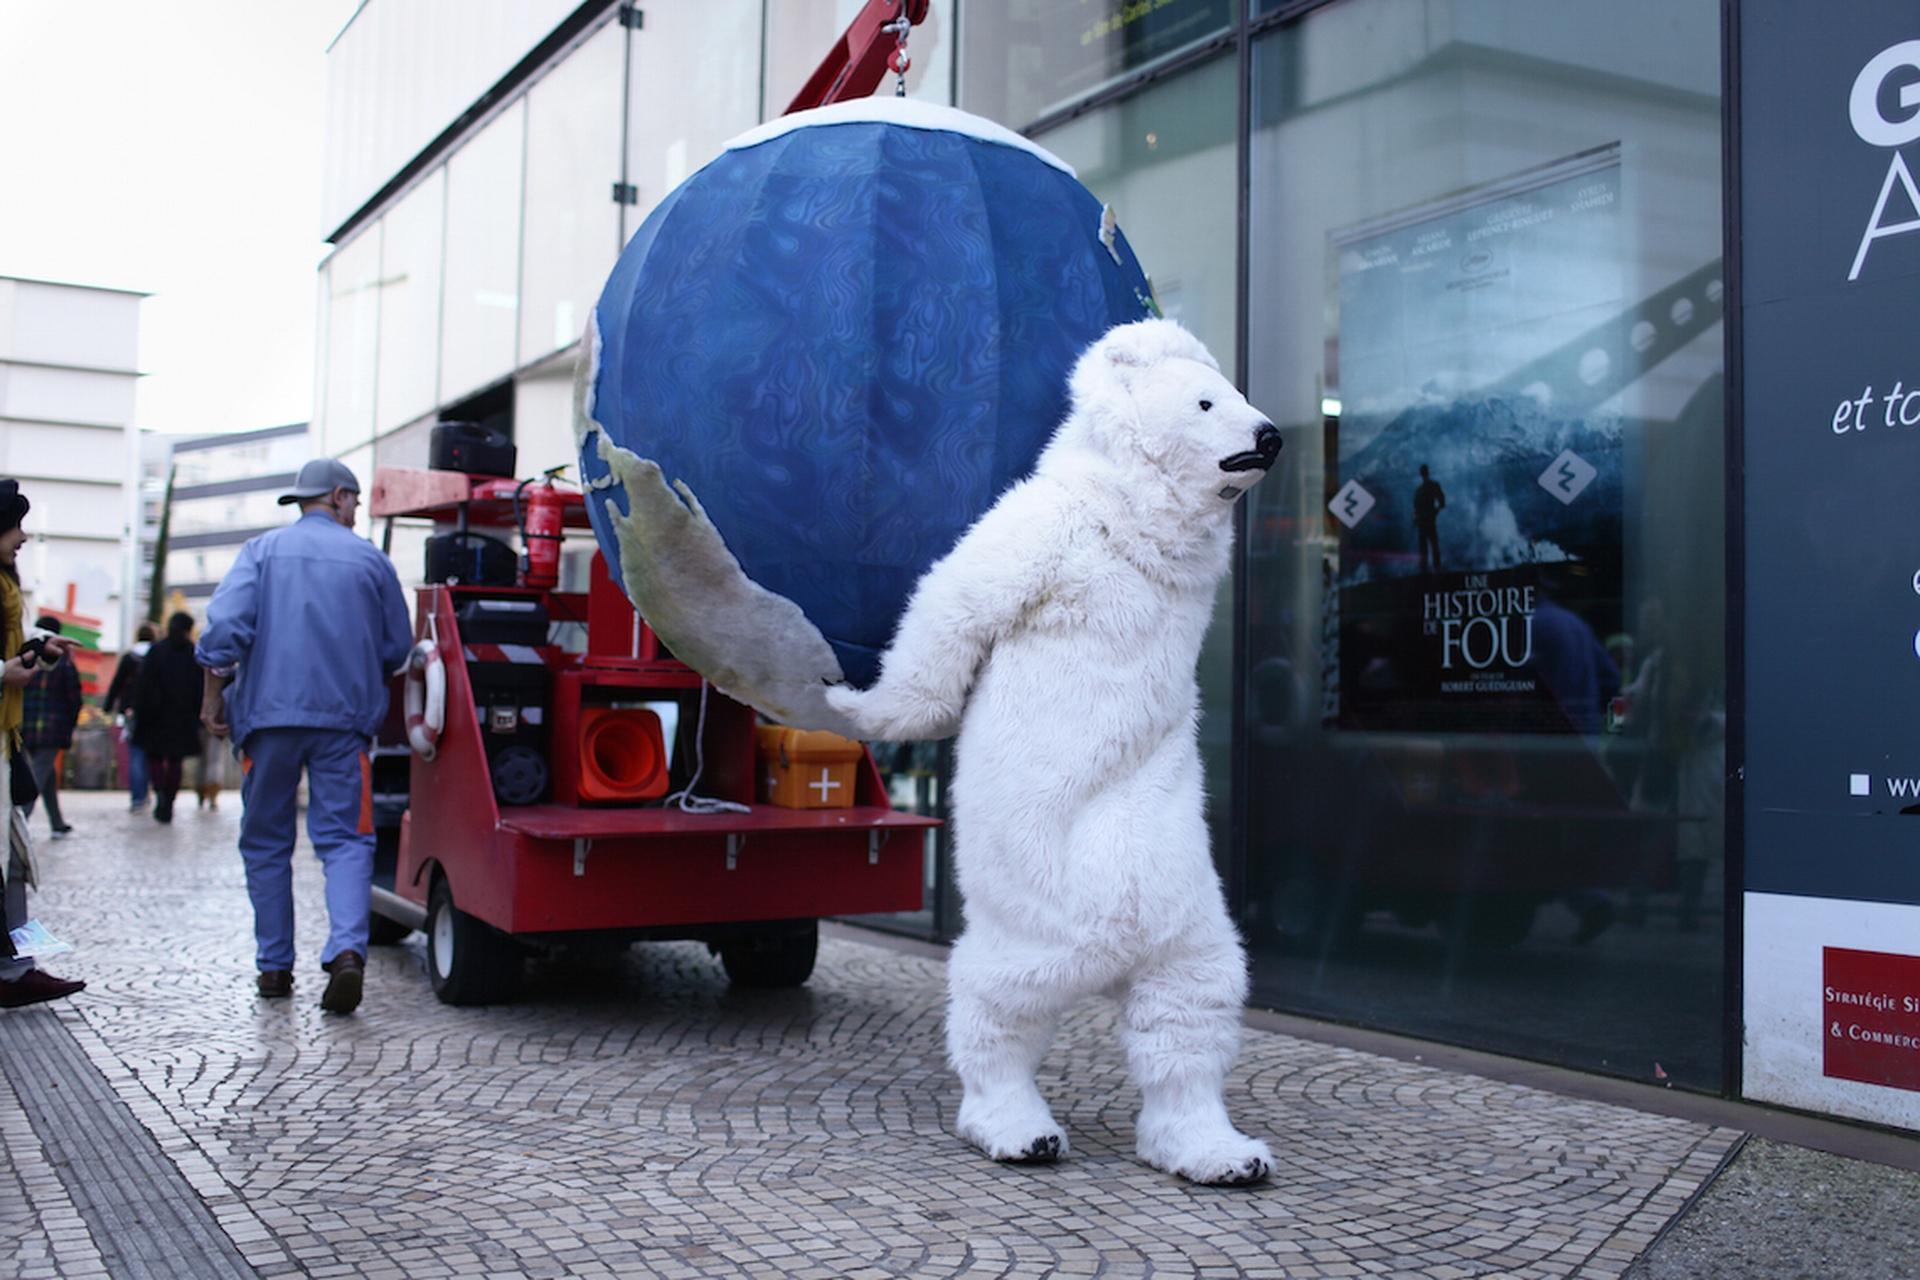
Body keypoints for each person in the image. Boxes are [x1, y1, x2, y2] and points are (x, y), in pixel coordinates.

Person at [197, 459, 411, 1014]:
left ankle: (274, 967)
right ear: (339, 496)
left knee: (265, 842)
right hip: (344, 725)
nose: (355, 512)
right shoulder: (371, 560)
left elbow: (224, 630)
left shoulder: (261, 552)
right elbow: (397, 649)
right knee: (347, 841)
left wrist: (213, 699)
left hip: (267, 723)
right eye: (355, 501)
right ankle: (346, 952)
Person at [0, 479, 86, 1008]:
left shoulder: (6, 584)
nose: (23, 537)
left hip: (7, 739)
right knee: (10, 860)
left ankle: (18, 968)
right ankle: (15, 970)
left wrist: (38, 647)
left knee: (14, 860)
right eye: (15, 526)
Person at [132, 612, 205, 824]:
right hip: (182, 716)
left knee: (155, 757)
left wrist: (140, 710)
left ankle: (160, 793)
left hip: (155, 715)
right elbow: (199, 686)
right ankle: (170, 798)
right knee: (175, 760)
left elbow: (143, 684)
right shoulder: (192, 652)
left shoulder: (157, 650)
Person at [19, 615, 81, 839]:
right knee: (38, 775)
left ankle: (57, 821)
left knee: (46, 773)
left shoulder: (27, 658)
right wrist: (71, 723)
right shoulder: (63, 662)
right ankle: (21, 819)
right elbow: (74, 697)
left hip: (26, 723)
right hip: (53, 726)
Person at [103, 621, 155, 811]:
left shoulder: (129, 657)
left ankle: (137, 797)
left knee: (135, 754)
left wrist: (109, 706)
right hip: (153, 710)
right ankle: (148, 791)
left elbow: (118, 682)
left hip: (131, 709)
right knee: (151, 754)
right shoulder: (158, 655)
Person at [1413, 464, 1446, 573]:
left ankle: (1434, 567)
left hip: (1428, 520)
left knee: (1431, 546)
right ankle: (1427, 568)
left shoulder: (1426, 488)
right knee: (1426, 547)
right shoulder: (1421, 490)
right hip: (1425, 521)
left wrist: (1434, 512)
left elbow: (1442, 502)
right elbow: (1416, 508)